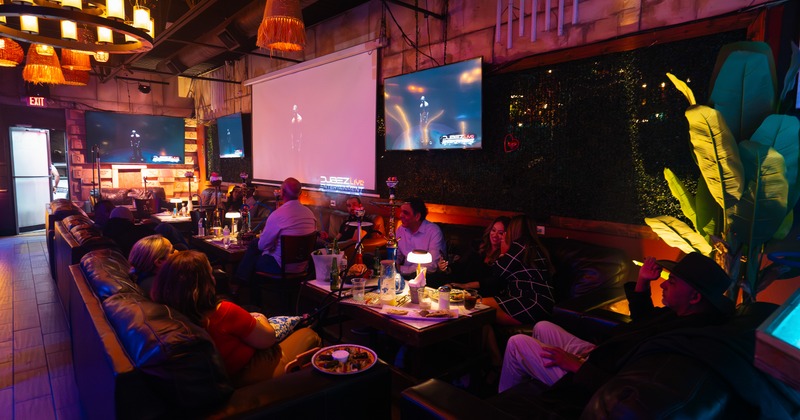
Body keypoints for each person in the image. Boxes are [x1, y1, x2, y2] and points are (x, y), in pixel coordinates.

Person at [498, 252, 736, 404]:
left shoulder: (682, 341)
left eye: (671, 282)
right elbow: (644, 320)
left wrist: (576, 365)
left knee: (517, 343)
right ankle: (528, 388)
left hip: (592, 381)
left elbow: (629, 387)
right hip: (601, 356)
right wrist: (642, 280)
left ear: (694, 297)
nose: (663, 285)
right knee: (542, 327)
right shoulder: (682, 315)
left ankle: (499, 407)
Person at [150, 251, 321, 387]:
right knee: (309, 334)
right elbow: (268, 339)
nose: (213, 278)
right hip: (249, 372)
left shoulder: (169, 313)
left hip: (226, 372)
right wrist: (261, 318)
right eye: (210, 273)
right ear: (203, 284)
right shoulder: (223, 312)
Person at [479, 214, 555, 325]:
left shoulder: (520, 244)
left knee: (476, 304)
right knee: (484, 316)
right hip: (543, 303)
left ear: (513, 228)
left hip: (531, 301)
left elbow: (497, 272)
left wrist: (503, 253)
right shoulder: (535, 246)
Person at [255, 177, 318, 275]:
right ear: (300, 193)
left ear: (282, 193)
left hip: (280, 267)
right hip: (304, 267)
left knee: (252, 255)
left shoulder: (277, 215)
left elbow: (262, 245)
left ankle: (239, 281)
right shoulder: (310, 214)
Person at [439, 216, 510, 295]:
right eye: (493, 230)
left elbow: (494, 281)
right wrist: (446, 268)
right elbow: (461, 265)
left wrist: (466, 286)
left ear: (507, 235)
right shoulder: (477, 246)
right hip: (462, 288)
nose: (495, 235)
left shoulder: (505, 256)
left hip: (482, 293)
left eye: (500, 233)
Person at [395, 197, 446, 277]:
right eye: (401, 211)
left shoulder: (434, 232)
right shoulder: (400, 230)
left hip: (427, 277)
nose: (401, 215)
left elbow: (432, 265)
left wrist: (401, 269)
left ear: (417, 216)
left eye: (406, 213)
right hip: (402, 277)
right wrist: (392, 265)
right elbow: (397, 255)